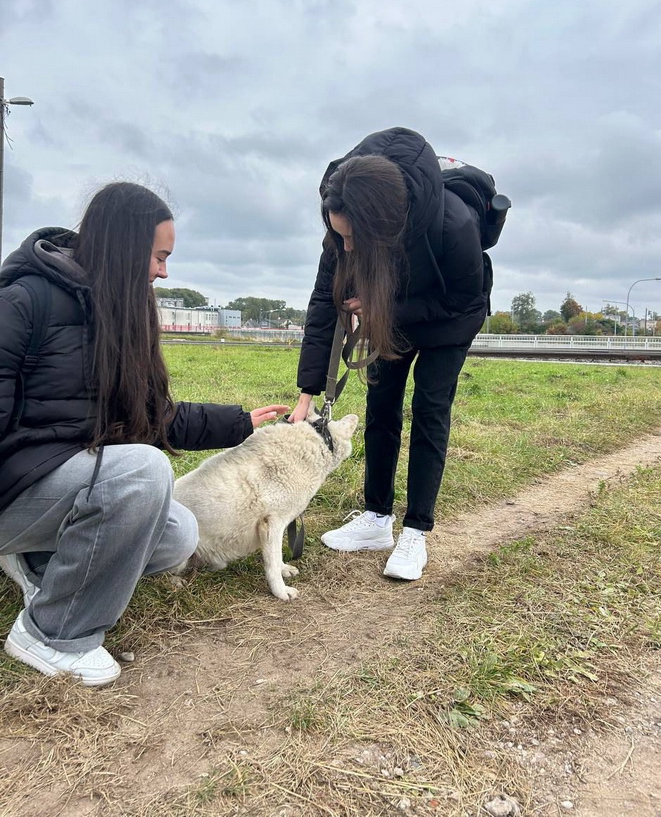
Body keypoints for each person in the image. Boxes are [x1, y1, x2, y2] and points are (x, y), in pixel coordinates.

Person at [0, 182, 287, 685]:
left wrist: (240, 422)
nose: (163, 271)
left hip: (55, 486)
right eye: (159, 257)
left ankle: (38, 561)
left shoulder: (120, 315)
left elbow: (152, 417)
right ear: (124, 248)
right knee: (142, 472)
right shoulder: (23, 301)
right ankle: (53, 633)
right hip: (11, 492)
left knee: (178, 536)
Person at [290, 127, 494, 580]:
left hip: (450, 318)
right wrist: (307, 391)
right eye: (339, 236)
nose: (345, 248)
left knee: (429, 410)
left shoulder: (454, 225)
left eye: (352, 239)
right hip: (388, 311)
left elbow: (465, 302)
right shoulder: (342, 222)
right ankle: (376, 519)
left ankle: (415, 532)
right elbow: (323, 301)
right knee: (381, 406)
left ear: (382, 224)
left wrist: (385, 307)